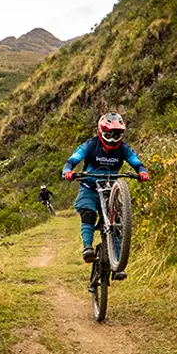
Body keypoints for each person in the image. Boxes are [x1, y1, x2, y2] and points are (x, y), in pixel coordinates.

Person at [62, 113, 149, 264]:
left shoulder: (124, 148)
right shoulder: (90, 145)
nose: (113, 138)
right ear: (101, 131)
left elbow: (137, 162)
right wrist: (68, 171)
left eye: (117, 134)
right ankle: (87, 247)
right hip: (89, 188)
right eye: (109, 134)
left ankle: (117, 263)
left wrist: (142, 172)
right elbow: (72, 160)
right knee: (87, 212)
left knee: (118, 224)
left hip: (111, 190)